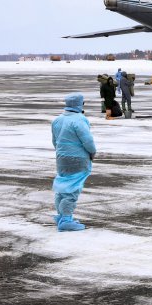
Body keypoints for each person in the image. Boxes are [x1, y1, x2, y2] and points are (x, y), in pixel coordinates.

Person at [51, 93, 96, 232]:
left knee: (62, 187)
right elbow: (87, 141)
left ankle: (61, 215)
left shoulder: (57, 120)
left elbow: (55, 141)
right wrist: (92, 152)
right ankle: (66, 219)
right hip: (78, 158)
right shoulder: (79, 120)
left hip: (61, 158)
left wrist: (62, 153)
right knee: (72, 189)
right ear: (79, 104)